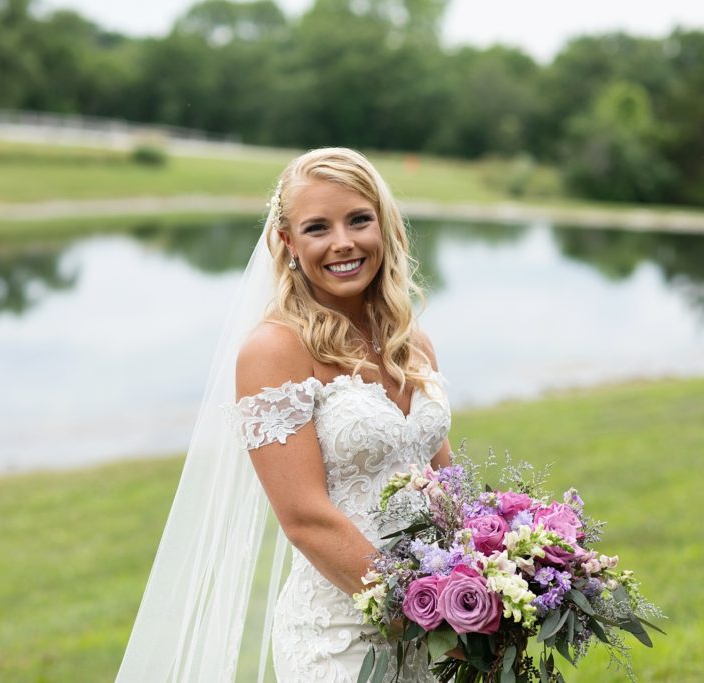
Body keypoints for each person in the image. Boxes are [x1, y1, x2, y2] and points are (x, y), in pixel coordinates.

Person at [115, 148, 452, 682]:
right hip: (344, 636)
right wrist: (423, 611)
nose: (343, 242)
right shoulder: (274, 351)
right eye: (318, 227)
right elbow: (306, 519)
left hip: (443, 622)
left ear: (384, 227)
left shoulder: (413, 344)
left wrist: (487, 576)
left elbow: (443, 482)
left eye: (359, 219)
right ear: (289, 242)